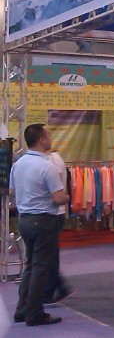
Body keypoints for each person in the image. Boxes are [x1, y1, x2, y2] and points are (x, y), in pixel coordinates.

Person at [10, 124, 69, 326]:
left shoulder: (18, 164)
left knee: (31, 266)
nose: (50, 138)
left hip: (25, 219)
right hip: (43, 220)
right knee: (41, 268)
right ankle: (34, 313)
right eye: (48, 135)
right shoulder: (47, 166)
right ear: (41, 139)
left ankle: (22, 309)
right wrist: (68, 197)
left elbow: (12, 191)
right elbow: (58, 198)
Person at [42, 148, 73, 305]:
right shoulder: (52, 159)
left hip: (53, 213)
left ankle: (53, 290)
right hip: (52, 212)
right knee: (49, 254)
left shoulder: (52, 161)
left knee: (49, 255)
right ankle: (58, 287)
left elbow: (56, 192)